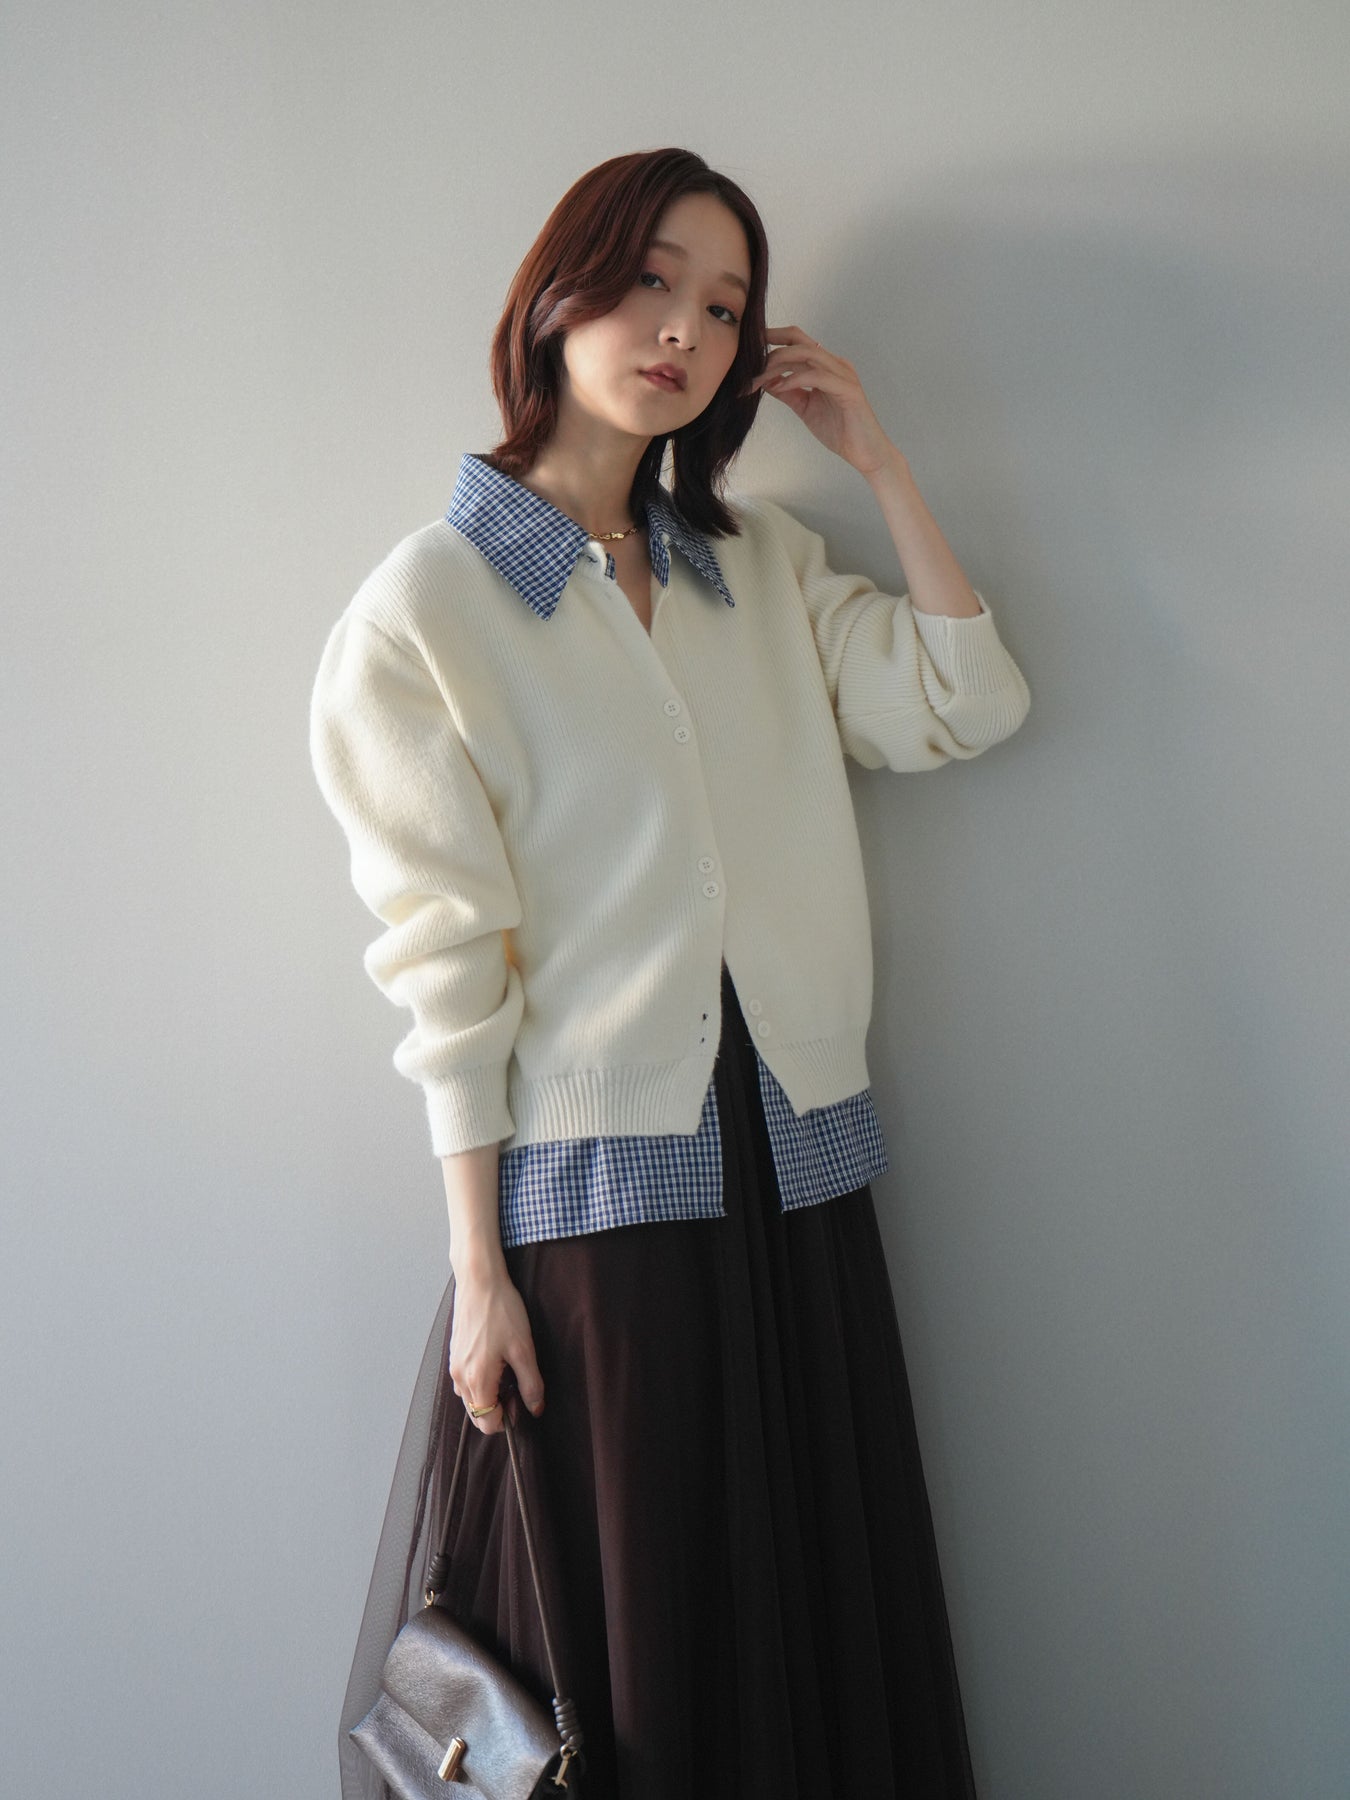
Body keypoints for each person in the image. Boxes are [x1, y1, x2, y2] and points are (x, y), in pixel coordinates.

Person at [310, 146, 1030, 1800]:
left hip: (798, 1173)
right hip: (598, 1210)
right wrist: (478, 1269)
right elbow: (443, 967)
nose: (683, 331)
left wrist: (879, 463)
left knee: (808, 1624)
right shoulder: (425, 611)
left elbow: (963, 703)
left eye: (720, 306)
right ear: (555, 295)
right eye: (649, 281)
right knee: (645, 1657)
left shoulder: (753, 566)